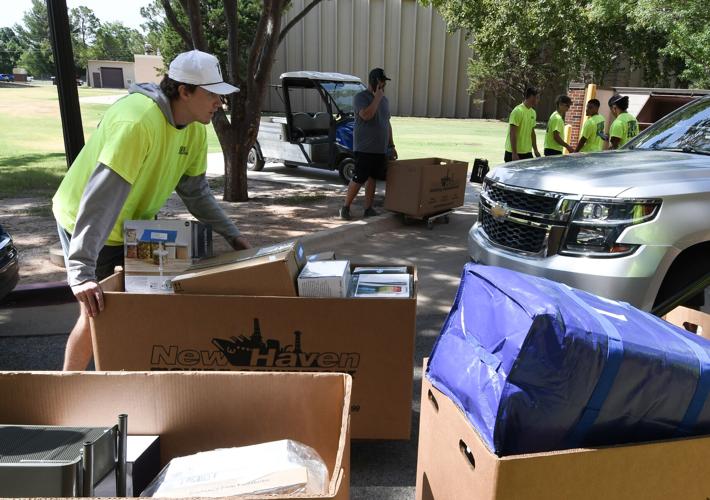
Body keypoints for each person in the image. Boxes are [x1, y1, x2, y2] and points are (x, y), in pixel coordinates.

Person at [52, 49, 251, 371]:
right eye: (213, 94)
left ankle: (131, 380)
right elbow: (101, 198)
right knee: (95, 314)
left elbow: (196, 193)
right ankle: (66, 390)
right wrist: (81, 271)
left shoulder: (197, 129)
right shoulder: (138, 121)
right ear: (184, 91)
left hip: (135, 225)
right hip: (88, 221)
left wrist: (233, 234)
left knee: (145, 304)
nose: (220, 103)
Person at [339, 67, 397, 220]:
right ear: (374, 81)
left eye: (385, 82)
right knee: (359, 178)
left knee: (372, 178)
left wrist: (391, 145)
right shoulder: (361, 97)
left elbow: (387, 123)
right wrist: (377, 98)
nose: (384, 84)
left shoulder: (385, 100)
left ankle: (368, 208)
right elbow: (366, 115)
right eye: (382, 81)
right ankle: (345, 207)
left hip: (380, 148)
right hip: (364, 147)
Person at [504, 87, 541, 162]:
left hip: (527, 153)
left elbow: (532, 133)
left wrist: (536, 150)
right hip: (513, 153)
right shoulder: (518, 111)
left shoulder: (533, 112)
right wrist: (514, 153)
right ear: (531, 97)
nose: (538, 100)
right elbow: (512, 133)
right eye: (537, 98)